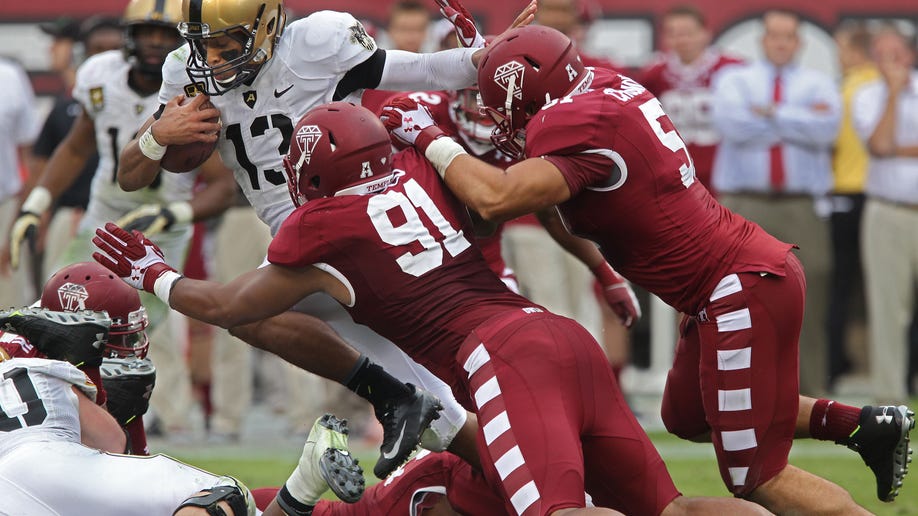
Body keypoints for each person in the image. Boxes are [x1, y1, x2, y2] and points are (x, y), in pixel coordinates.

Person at [94, 101, 768, 516]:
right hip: (557, 335)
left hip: (502, 358)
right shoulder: (419, 171)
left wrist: (154, 274)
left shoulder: (323, 224)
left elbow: (231, 305)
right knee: (672, 507)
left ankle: (392, 397)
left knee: (554, 512)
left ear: (315, 174)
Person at [382, 24, 914, 510]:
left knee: (756, 475)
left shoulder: (574, 122)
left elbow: (497, 200)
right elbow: (550, 199)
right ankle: (863, 424)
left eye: (506, 107)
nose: (501, 122)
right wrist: (608, 275)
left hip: (737, 288)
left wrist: (426, 135)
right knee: (687, 416)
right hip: (732, 279)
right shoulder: (601, 87)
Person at [114, 0, 538, 478]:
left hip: (355, 231)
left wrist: (477, 62)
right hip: (301, 247)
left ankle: (403, 401)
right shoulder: (186, 74)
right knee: (444, 420)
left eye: (224, 44)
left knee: (240, 311)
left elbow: (419, 69)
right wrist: (157, 135)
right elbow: (129, 175)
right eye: (201, 46)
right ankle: (534, 482)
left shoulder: (316, 44)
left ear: (268, 27)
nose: (210, 60)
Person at [6, 0, 238, 438]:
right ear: (128, 36)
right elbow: (76, 148)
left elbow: (224, 185)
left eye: (165, 35)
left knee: (132, 332)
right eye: (146, 34)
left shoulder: (194, 86)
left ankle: (142, 426)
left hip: (161, 230)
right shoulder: (100, 76)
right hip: (103, 216)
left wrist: (175, 211)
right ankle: (56, 416)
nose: (154, 44)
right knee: (60, 312)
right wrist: (37, 203)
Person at [710, 9, 840, 396]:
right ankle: (735, 390)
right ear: (762, 40)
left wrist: (769, 113)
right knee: (734, 294)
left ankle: (808, 394)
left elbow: (827, 129)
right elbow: (733, 125)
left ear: (799, 42)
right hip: (744, 202)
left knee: (810, 291)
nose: (781, 43)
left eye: (788, 36)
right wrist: (799, 120)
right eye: (774, 36)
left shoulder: (819, 82)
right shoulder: (733, 79)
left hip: (801, 204)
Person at [27, 16, 123, 288]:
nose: (52, 49)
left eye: (60, 42)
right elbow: (48, 165)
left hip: (114, 214)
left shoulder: (135, 100)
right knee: (60, 299)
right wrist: (38, 213)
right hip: (71, 214)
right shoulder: (67, 104)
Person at [852, 26, 918, 405]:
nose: (888, 62)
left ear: (909, 55)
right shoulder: (867, 95)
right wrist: (893, 94)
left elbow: (891, 147)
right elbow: (879, 144)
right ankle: (890, 398)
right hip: (887, 211)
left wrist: (899, 149)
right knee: (888, 307)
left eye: (894, 53)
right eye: (880, 54)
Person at [637, 4, 741, 192]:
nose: (682, 40)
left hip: (722, 173)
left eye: (688, 32)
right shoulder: (654, 74)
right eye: (674, 33)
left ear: (706, 33)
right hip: (678, 173)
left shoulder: (732, 70)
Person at [826, 21, 878, 391]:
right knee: (883, 288)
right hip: (879, 194)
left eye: (842, 50)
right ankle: (903, 368)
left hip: (846, 191)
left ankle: (835, 364)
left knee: (840, 286)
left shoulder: (846, 89)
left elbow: (830, 144)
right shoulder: (888, 87)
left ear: (854, 52)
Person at [0, 57, 41, 308]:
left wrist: (18, 223)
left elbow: (30, 156)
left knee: (8, 309)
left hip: (4, 207)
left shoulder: (10, 77)